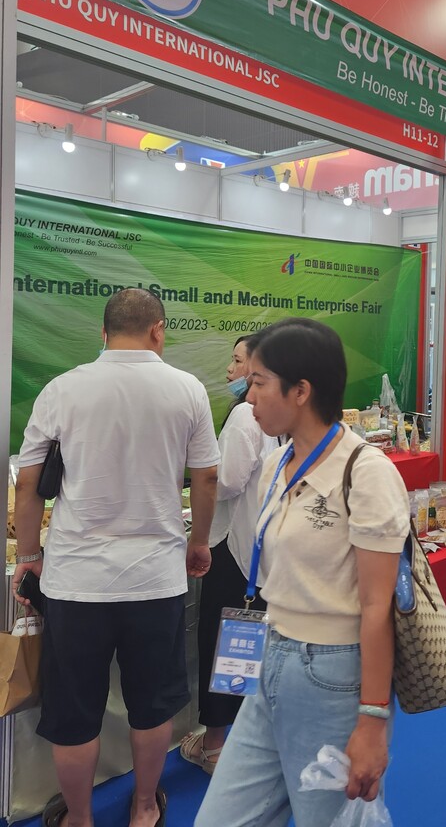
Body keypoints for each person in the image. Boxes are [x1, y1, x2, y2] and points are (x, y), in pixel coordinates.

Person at [11, 288, 219, 827]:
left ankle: (79, 818)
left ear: (102, 333)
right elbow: (206, 477)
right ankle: (145, 807)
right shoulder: (188, 389)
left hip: (75, 582)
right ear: (158, 330)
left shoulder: (62, 389)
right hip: (156, 579)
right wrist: (199, 543)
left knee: (73, 711)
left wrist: (28, 555)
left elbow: (28, 484)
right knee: (152, 704)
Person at [194, 318, 410, 827]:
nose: (248, 397)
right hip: (270, 656)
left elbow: (377, 607)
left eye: (258, 382)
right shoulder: (278, 465)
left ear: (301, 391)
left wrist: (372, 719)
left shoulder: (367, 473)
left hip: (331, 672)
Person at [181, 334, 279, 775]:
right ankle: (235, 738)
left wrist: (198, 478)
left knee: (226, 645)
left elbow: (227, 482)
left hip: (233, 550)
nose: (229, 369)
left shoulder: (244, 414)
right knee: (245, 645)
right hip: (258, 553)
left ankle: (215, 745)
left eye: (238, 362)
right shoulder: (275, 415)